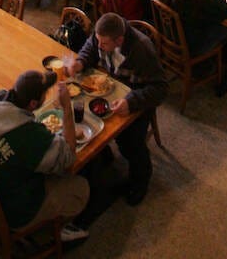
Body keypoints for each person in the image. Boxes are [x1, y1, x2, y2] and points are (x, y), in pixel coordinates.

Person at [0, 69, 89, 241]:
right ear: (33, 104)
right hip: (15, 212)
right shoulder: (28, 135)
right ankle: (55, 230)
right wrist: (67, 108)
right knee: (80, 188)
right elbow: (68, 158)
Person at [67, 13, 167, 206]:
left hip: (137, 99)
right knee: (80, 115)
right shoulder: (103, 35)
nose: (99, 46)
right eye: (98, 40)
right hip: (111, 91)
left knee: (130, 143)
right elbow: (90, 48)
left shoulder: (141, 49)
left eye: (103, 44)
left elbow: (160, 88)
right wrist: (80, 61)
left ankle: (140, 180)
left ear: (119, 40)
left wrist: (131, 102)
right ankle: (102, 156)